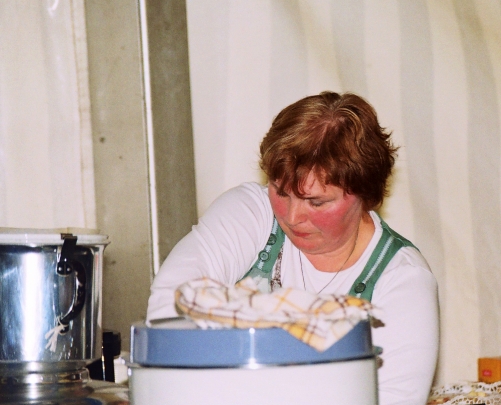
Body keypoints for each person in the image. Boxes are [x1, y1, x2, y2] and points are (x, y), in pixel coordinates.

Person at [146, 91, 439, 405]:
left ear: (365, 194)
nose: (292, 216)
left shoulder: (402, 280)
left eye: (316, 202)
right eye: (281, 192)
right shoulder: (251, 213)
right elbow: (169, 311)